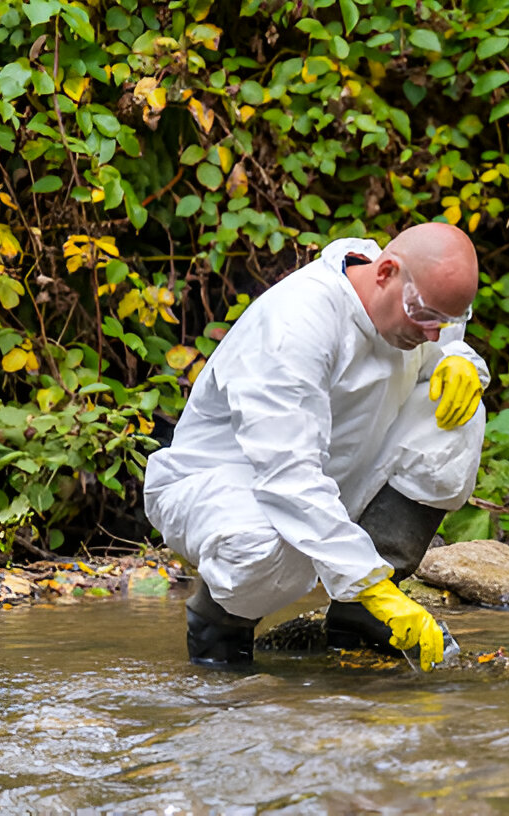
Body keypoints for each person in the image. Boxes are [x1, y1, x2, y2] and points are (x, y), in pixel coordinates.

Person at [143, 223, 488, 671]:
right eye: (427, 317)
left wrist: (462, 361)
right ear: (385, 271)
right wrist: (367, 582)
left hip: (332, 473)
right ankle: (221, 626)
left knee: (457, 411)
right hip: (228, 487)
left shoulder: (409, 311)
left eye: (447, 321)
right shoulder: (296, 325)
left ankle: (359, 614)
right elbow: (287, 477)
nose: (432, 334)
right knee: (262, 539)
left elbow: (442, 349)